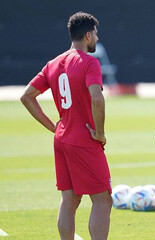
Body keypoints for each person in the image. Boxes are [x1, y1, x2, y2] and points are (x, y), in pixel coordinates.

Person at [20, 12, 112, 240]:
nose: (97, 39)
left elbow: (26, 96)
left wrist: (52, 126)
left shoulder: (53, 63)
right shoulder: (90, 62)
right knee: (103, 199)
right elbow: (97, 99)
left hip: (62, 138)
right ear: (88, 35)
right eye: (96, 35)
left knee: (69, 200)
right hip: (84, 139)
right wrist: (99, 133)